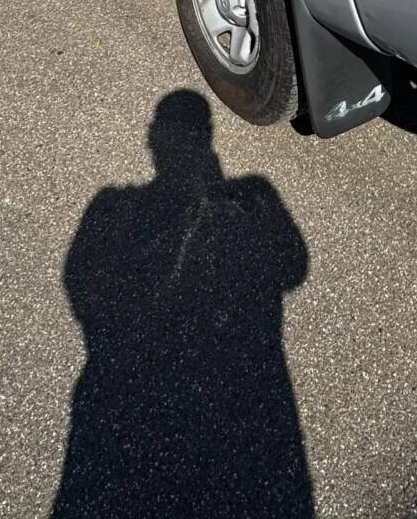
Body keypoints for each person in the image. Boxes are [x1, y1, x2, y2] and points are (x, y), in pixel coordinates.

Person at [53, 89, 312, 518]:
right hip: (250, 384)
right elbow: (294, 269)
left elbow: (83, 288)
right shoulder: (253, 193)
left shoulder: (110, 207)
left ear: (154, 137)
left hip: (124, 390)